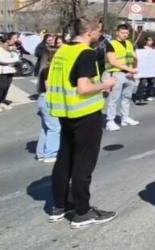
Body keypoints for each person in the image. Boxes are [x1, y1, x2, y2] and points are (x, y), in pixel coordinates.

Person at [46, 17, 118, 228]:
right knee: (83, 164)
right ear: (89, 32)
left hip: (64, 112)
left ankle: (59, 206)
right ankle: (82, 212)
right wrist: (106, 84)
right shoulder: (86, 53)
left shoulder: (63, 51)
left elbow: (53, 81)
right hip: (84, 113)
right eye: (98, 31)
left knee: (64, 159)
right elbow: (84, 88)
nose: (100, 35)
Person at [104, 24, 139, 131]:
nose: (125, 35)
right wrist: (129, 69)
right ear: (117, 32)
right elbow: (113, 61)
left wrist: (133, 70)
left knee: (127, 97)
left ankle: (125, 117)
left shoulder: (129, 43)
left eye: (127, 33)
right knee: (113, 98)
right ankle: (110, 120)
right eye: (123, 32)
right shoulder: (111, 44)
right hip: (116, 73)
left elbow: (134, 57)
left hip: (128, 74)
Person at [35, 34, 60, 162]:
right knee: (55, 127)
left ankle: (41, 153)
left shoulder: (44, 69)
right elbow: (49, 86)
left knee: (46, 127)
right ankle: (50, 153)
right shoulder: (49, 70)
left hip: (42, 99)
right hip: (48, 99)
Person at [0, 32, 20, 110]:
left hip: (10, 69)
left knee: (6, 87)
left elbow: (17, 58)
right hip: (2, 70)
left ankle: (2, 102)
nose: (16, 40)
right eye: (14, 38)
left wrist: (14, 52)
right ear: (8, 40)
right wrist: (12, 60)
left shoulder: (13, 48)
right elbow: (3, 60)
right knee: (2, 87)